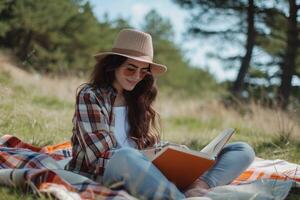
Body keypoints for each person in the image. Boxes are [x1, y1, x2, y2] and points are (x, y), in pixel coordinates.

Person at [65, 29, 255, 199]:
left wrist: (171, 152)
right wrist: (147, 156)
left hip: (146, 169)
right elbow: (99, 157)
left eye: (143, 72)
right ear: (113, 65)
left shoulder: (137, 99)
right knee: (126, 156)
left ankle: (198, 187)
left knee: (242, 150)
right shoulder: (91, 95)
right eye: (130, 68)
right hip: (111, 170)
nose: (137, 77)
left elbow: (144, 144)